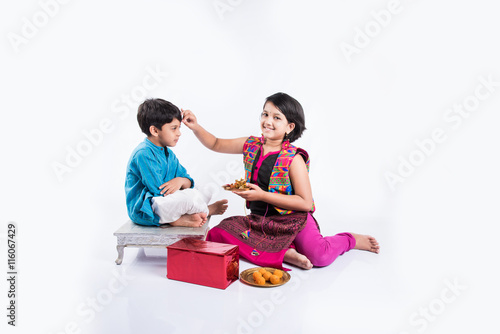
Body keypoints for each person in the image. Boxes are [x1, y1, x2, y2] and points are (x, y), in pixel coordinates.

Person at [181, 92, 379, 270]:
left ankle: (350, 240)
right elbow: (216, 143)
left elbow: (305, 202)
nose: (268, 121)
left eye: (277, 117)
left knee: (320, 256)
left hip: (293, 220)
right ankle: (285, 252)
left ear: (289, 127)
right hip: (261, 222)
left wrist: (262, 195)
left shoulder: (294, 158)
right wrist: (195, 127)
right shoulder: (250, 145)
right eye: (265, 114)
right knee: (217, 234)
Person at [125, 98, 228, 227]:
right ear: (155, 131)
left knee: (204, 190)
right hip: (147, 209)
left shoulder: (167, 153)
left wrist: (180, 181)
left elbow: (187, 180)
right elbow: (159, 192)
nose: (179, 133)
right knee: (189, 198)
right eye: (173, 128)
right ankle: (203, 211)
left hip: (167, 200)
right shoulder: (143, 154)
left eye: (179, 128)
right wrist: (184, 189)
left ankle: (182, 215)